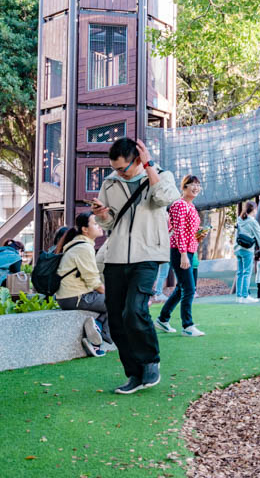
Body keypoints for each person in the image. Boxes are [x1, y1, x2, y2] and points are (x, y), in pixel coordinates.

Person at [91, 137, 179, 395]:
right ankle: (135, 374)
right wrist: (103, 214)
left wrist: (150, 167)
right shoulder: (110, 182)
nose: (117, 173)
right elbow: (109, 224)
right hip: (115, 256)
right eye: (114, 168)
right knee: (116, 320)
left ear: (138, 160)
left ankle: (151, 362)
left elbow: (164, 199)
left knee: (134, 310)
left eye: (122, 168)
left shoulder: (162, 175)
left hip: (148, 255)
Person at [54, 213, 112, 357]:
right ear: (85, 229)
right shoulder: (84, 248)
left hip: (69, 296)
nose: (99, 225)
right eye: (95, 223)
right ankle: (97, 337)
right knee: (120, 301)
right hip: (76, 297)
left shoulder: (79, 245)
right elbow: (93, 282)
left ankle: (97, 329)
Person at [155, 175, 205, 337]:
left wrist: (199, 236)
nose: (196, 187)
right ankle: (188, 326)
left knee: (181, 288)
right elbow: (178, 231)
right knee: (189, 289)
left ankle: (163, 319)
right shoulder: (179, 205)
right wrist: (183, 254)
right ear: (184, 187)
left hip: (189, 250)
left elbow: (189, 231)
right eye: (192, 184)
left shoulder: (191, 206)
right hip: (179, 251)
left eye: (198, 185)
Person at [234, 201, 260, 304]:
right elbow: (259, 237)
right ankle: (245, 296)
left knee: (240, 273)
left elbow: (236, 235)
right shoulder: (252, 222)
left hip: (238, 249)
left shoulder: (240, 219)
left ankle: (238, 297)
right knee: (247, 273)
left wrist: (235, 248)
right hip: (247, 250)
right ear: (254, 209)